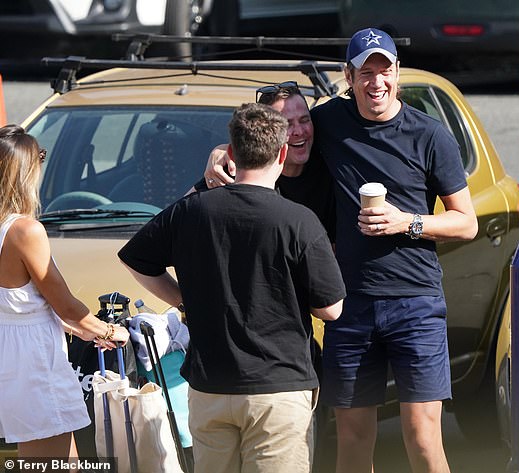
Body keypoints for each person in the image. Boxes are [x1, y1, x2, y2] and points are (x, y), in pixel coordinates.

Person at [206, 28, 478, 473]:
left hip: (417, 303)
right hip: (348, 306)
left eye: (384, 71)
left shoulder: (430, 135)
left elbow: (466, 222)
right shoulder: (328, 120)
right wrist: (222, 150)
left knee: (423, 438)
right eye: (365, 72)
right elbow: (274, 131)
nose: (376, 83)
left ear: (396, 74)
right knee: (351, 440)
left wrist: (405, 222)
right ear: (347, 76)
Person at [118, 103, 346, 473]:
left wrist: (183, 299)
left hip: (210, 389)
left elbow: (134, 259)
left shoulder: (190, 211)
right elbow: (331, 309)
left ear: (232, 153)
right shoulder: (299, 221)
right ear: (282, 152)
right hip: (279, 389)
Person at [0, 124, 129, 461]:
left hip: (11, 358)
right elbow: (66, 304)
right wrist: (111, 331)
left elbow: (19, 302)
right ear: (24, 172)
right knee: (46, 463)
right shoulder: (24, 231)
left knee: (62, 459)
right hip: (34, 363)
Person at [190, 81, 336, 242]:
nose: (299, 131)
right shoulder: (238, 169)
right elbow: (175, 221)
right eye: (286, 124)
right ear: (265, 131)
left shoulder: (331, 165)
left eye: (304, 120)